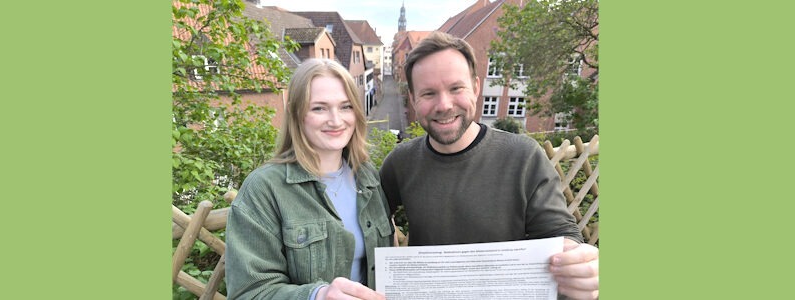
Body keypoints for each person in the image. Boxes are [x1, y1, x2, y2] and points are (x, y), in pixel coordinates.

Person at [379, 31, 599, 299]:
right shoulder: (400, 163)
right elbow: (367, 219)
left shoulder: (523, 157)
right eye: (428, 93)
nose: (444, 105)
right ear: (413, 98)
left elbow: (559, 234)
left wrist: (578, 265)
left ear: (476, 88)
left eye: (456, 88)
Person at [226, 58, 394, 300]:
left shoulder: (367, 176)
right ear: (296, 113)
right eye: (319, 108)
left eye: (346, 106)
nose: (336, 120)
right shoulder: (264, 189)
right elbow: (248, 293)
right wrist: (318, 295)